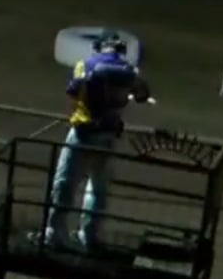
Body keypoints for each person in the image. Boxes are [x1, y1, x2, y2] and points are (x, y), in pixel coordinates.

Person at [45, 33, 152, 250]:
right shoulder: (130, 72)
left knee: (64, 183)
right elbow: (142, 94)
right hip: (109, 136)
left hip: (83, 133)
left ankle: (55, 233)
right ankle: (89, 235)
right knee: (97, 188)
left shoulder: (85, 65)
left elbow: (73, 91)